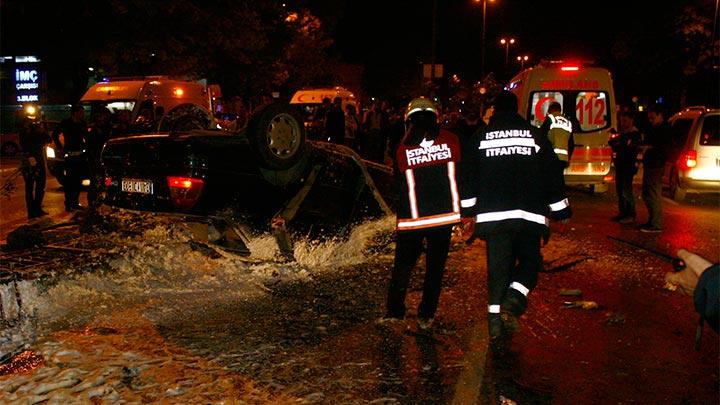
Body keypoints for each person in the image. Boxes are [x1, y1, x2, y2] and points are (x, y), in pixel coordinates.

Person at [460, 91, 571, 342]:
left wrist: (467, 212)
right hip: (529, 218)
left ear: (494, 110)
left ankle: (495, 320)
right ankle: (515, 298)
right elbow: (552, 174)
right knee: (530, 264)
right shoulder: (535, 136)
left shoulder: (481, 137)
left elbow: (468, 176)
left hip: (494, 219)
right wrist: (561, 210)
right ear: (517, 108)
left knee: (498, 270)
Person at [378, 97, 462, 331]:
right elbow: (460, 176)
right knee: (435, 269)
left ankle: (395, 311)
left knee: (402, 268)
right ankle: (426, 314)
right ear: (436, 116)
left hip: (411, 221)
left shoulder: (403, 147)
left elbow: (398, 184)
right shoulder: (452, 140)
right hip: (443, 219)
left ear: (409, 119)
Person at [639, 104, 673, 232]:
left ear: (660, 116)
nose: (650, 120)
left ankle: (656, 223)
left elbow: (663, 148)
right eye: (649, 118)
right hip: (651, 163)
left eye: (653, 118)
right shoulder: (655, 128)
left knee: (652, 194)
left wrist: (650, 148)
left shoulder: (664, 129)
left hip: (656, 164)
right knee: (647, 193)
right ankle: (652, 220)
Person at [18, 107, 52, 219]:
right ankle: (31, 211)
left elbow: (48, 139)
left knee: (41, 184)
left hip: (38, 158)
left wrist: (43, 128)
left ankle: (37, 208)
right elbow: (24, 143)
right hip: (29, 159)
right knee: (29, 186)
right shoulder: (24, 128)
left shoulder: (39, 127)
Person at [609, 110, 642, 223]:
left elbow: (627, 147)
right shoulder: (622, 134)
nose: (623, 123)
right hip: (620, 164)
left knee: (626, 190)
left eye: (625, 120)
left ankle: (630, 214)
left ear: (631, 120)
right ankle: (623, 213)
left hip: (628, 165)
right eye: (621, 120)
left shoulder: (634, 134)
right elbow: (613, 144)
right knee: (620, 190)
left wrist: (620, 142)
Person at [56, 104, 88, 212]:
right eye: (81, 112)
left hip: (80, 155)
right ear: (75, 113)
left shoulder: (83, 124)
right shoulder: (66, 123)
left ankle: (75, 202)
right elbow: (55, 134)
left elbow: (86, 136)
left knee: (78, 180)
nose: (83, 114)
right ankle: (68, 202)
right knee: (69, 180)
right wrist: (61, 147)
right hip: (70, 156)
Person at [86, 107, 113, 211]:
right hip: (95, 159)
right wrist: (94, 159)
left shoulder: (107, 127)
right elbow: (91, 146)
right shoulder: (93, 129)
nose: (104, 118)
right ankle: (93, 204)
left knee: (103, 183)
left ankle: (100, 202)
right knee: (94, 183)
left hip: (105, 158)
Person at [540, 101, 573, 168]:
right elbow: (571, 143)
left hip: (551, 157)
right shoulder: (568, 122)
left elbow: (542, 137)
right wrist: (568, 158)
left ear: (550, 109)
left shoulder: (550, 118)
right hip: (563, 159)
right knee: (559, 177)